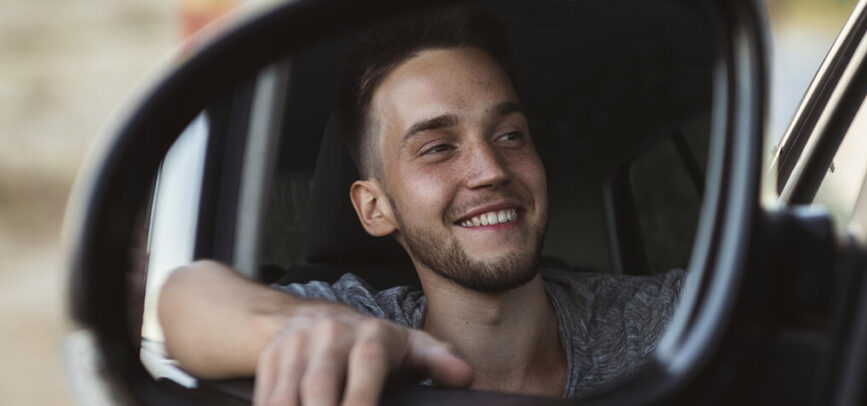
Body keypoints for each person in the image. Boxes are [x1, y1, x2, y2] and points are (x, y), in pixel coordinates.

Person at [158, 7, 685, 405]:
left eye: (509, 135)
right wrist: (300, 330)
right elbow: (186, 298)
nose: (491, 169)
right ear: (374, 208)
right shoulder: (363, 324)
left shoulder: (652, 320)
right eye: (438, 147)